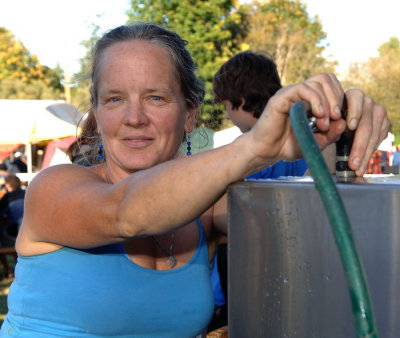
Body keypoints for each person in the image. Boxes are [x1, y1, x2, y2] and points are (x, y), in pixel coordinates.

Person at [0, 23, 389, 337]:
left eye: (156, 97)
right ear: (98, 114)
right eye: (115, 99)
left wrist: (335, 128)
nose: (134, 117)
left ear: (189, 115)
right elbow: (125, 212)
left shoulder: (208, 208)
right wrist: (254, 146)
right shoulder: (53, 188)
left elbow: (314, 228)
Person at [213, 50, 308, 179]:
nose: (227, 116)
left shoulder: (248, 156)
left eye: (226, 106)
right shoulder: (306, 136)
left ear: (241, 100)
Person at [0, 174, 25, 278]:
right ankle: (19, 268)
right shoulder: (27, 193)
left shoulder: (7, 198)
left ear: (8, 185)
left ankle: (9, 271)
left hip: (16, 235)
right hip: (28, 232)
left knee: (2, 238)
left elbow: (2, 217)